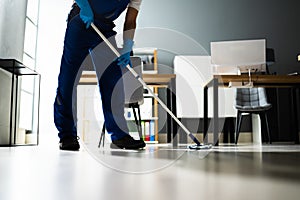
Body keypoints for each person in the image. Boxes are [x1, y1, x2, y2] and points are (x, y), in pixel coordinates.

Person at [54, 0, 145, 151]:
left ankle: (119, 135)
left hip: (104, 28)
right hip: (81, 20)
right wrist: (84, 6)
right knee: (69, 79)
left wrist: (128, 44)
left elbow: (131, 20)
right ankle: (67, 135)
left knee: (113, 80)